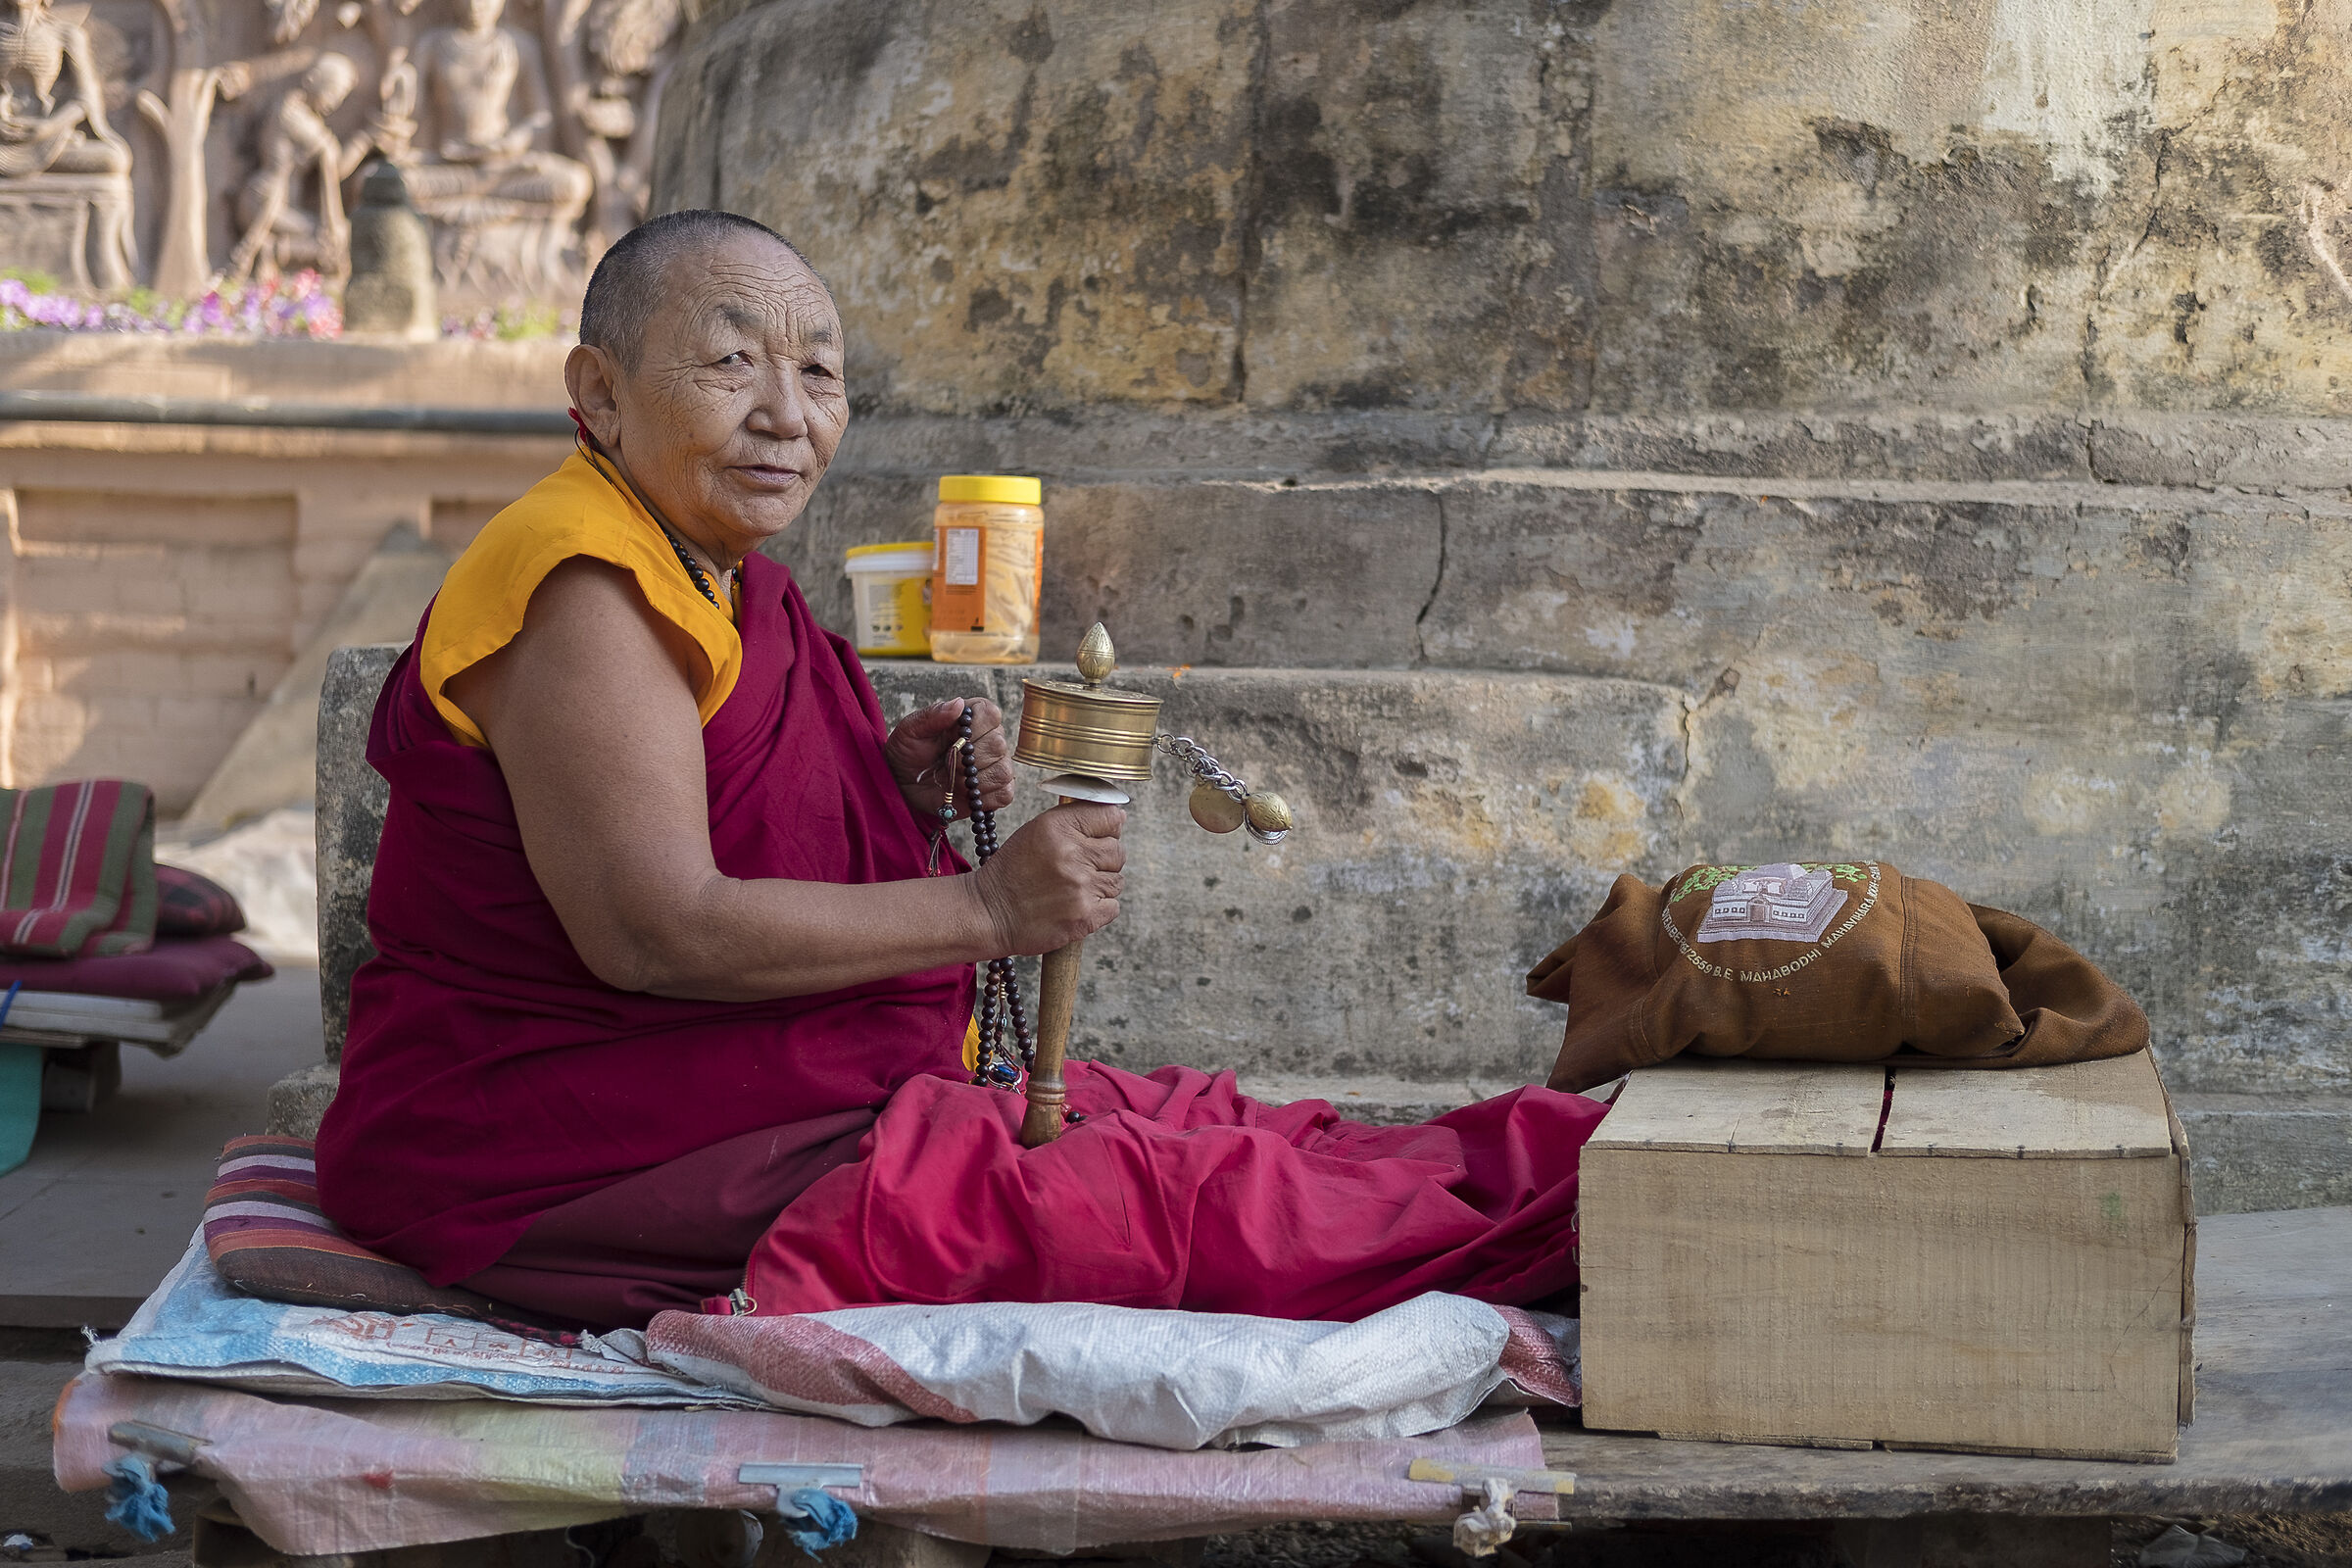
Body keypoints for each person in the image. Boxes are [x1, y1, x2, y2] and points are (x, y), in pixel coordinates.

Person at [315, 209, 1607, 1331]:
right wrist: (987, 910)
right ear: (597, 395)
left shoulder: (714, 578)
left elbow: (711, 807)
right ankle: (1593, 1216)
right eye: (728, 363)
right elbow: (652, 931)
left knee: (1202, 1124)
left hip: (737, 1087)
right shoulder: (581, 588)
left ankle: (1582, 1174)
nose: (787, 415)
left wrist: (886, 791)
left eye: (819, 372)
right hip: (563, 1142)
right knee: (1167, 1205)